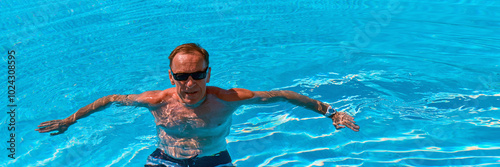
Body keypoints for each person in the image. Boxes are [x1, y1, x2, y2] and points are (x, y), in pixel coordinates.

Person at [36, 43, 360, 167]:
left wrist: (332, 112)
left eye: (196, 75)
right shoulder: (156, 101)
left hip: (215, 161)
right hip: (165, 159)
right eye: (181, 76)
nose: (189, 84)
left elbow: (282, 95)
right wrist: (70, 120)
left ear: (208, 73)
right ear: (171, 75)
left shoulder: (227, 100)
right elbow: (109, 100)